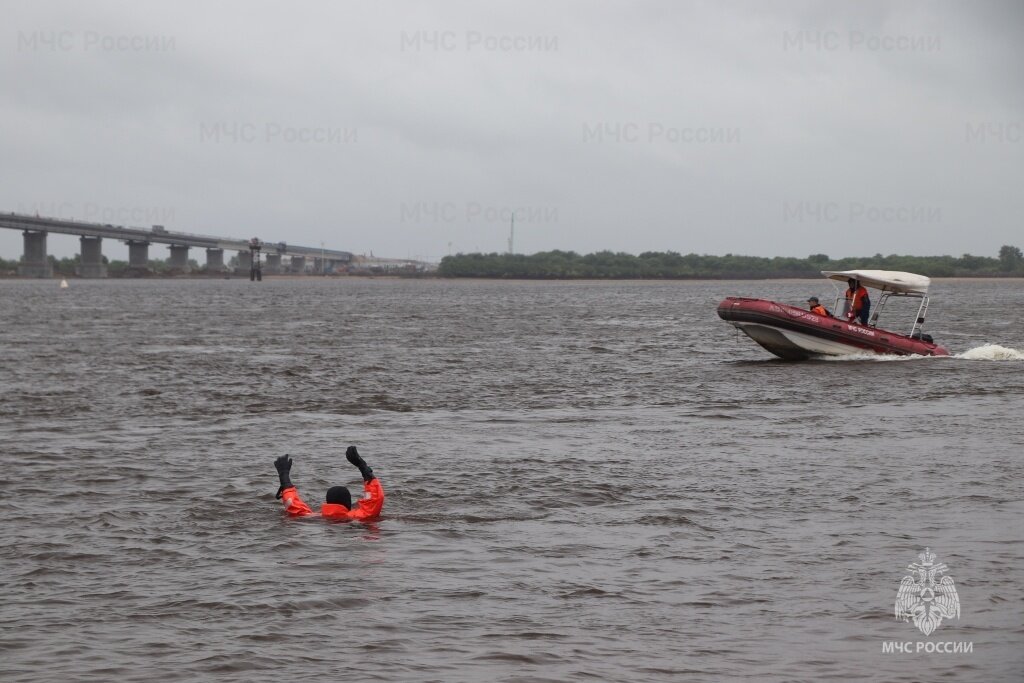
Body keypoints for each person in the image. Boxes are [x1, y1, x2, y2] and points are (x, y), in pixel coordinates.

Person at [273, 446, 384, 521]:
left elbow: (292, 504)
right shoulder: (358, 518)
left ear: (328, 502)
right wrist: (363, 467)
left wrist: (284, 476)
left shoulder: (312, 517)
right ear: (348, 503)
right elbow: (375, 499)